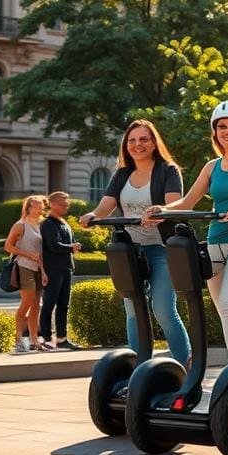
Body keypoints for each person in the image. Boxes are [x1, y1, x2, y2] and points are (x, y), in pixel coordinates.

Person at [145, 100, 228, 362]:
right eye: (222, 126)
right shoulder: (212, 167)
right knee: (221, 307)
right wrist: (160, 210)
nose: (227, 131)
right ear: (215, 131)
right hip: (215, 242)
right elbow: (187, 203)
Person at [79, 120, 191, 366]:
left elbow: (175, 203)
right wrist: (93, 215)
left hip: (162, 250)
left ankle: (187, 367)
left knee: (163, 310)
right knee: (132, 310)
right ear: (126, 145)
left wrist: (160, 210)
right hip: (130, 251)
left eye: (143, 139)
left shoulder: (167, 170)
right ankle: (139, 370)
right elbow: (106, 205)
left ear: (153, 144)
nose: (137, 145)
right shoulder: (122, 174)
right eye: (132, 140)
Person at [39, 192, 82, 350]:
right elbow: (54, 245)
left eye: (67, 204)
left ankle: (62, 339)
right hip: (53, 269)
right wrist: (72, 247)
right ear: (53, 204)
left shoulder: (63, 222)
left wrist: (74, 246)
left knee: (64, 305)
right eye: (63, 204)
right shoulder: (48, 224)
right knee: (49, 303)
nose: (66, 207)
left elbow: (65, 244)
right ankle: (46, 338)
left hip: (66, 269)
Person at [6, 195, 48, 352]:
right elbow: (8, 246)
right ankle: (18, 340)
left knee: (37, 305)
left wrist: (43, 271)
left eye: (41, 206)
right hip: (24, 266)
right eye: (37, 206)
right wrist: (28, 255)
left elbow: (40, 252)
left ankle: (34, 341)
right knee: (27, 302)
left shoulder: (39, 226)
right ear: (29, 208)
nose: (41, 208)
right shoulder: (20, 225)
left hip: (37, 269)